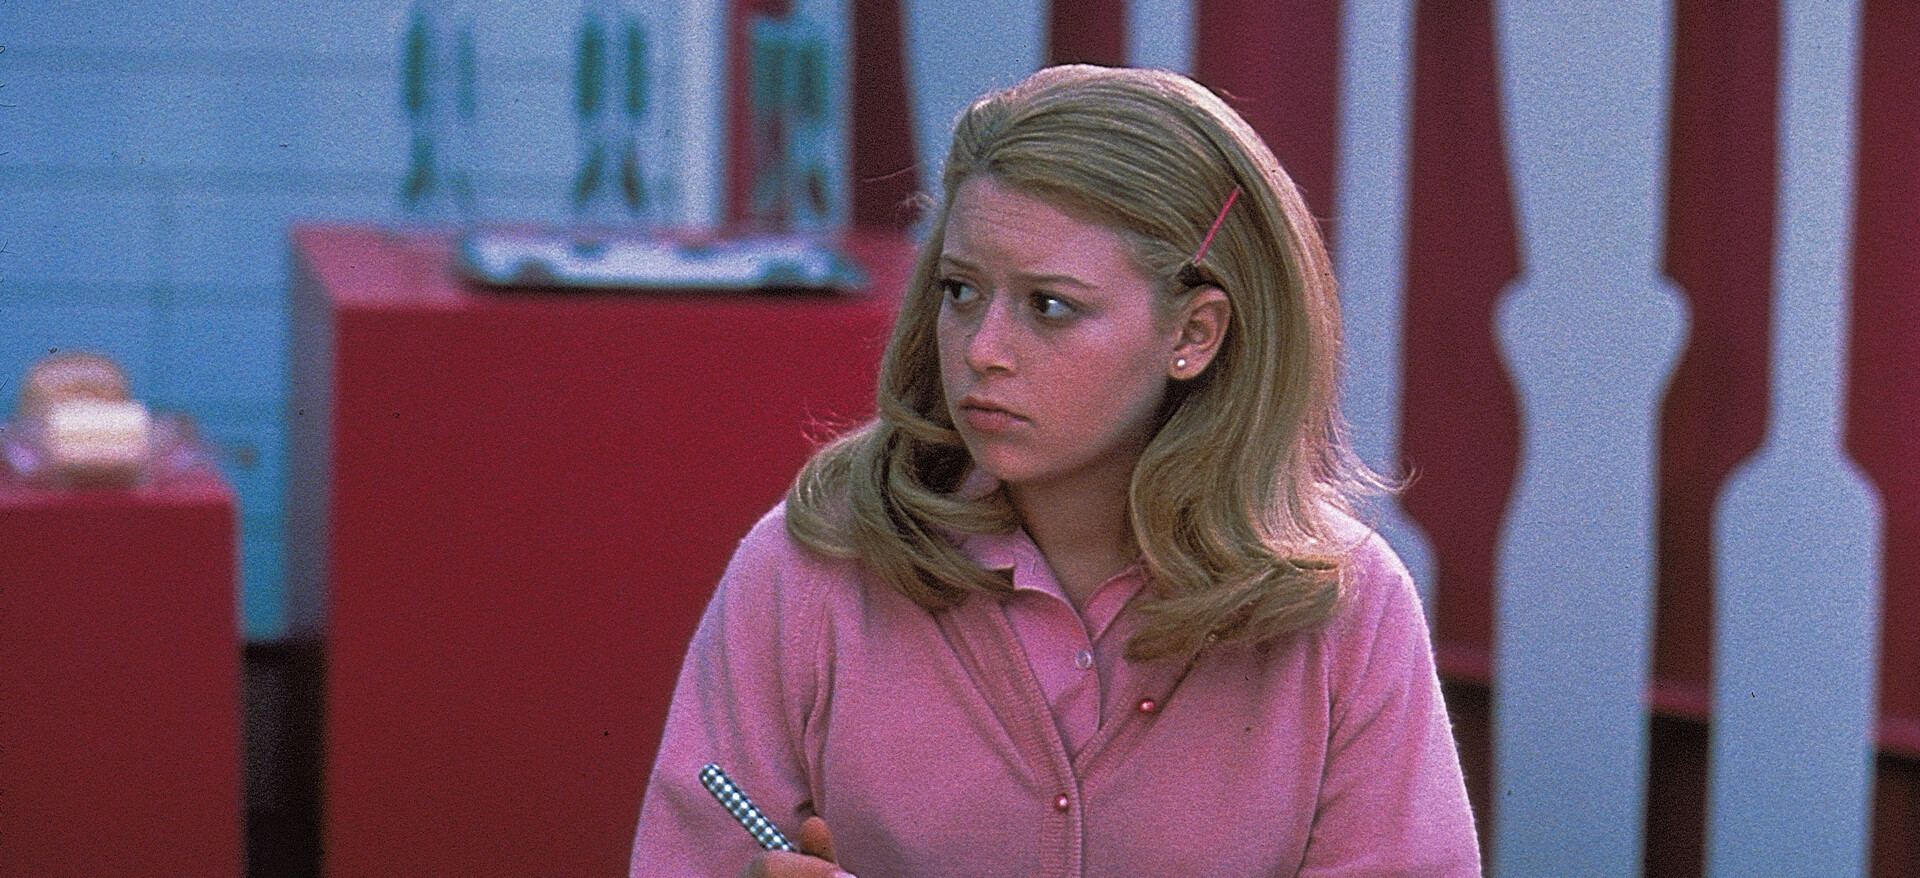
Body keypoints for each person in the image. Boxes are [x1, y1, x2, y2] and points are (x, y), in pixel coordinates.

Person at [629, 64, 1479, 877]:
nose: (982, 350)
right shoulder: (810, 566)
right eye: (961, 291)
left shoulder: (1347, 608)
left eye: (1049, 306)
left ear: (1195, 334)